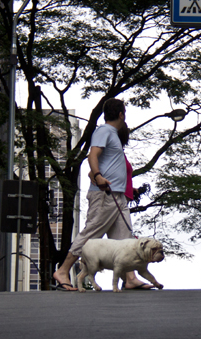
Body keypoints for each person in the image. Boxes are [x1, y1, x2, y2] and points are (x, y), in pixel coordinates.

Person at [52, 99, 154, 291]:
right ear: (121, 115)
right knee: (91, 233)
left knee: (125, 238)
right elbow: (93, 154)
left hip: (118, 196)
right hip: (105, 194)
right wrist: (97, 175)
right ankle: (63, 270)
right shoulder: (105, 131)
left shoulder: (113, 135)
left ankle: (130, 277)